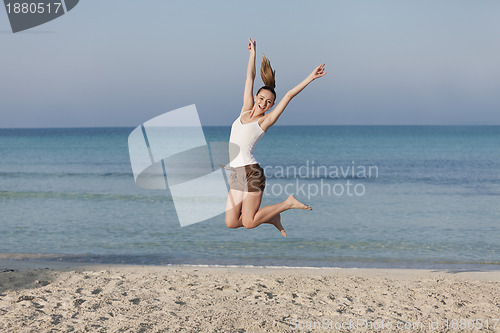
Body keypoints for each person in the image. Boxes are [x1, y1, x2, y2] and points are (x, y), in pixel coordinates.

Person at [224, 38, 326, 237]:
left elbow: (288, 95)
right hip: (235, 173)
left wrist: (310, 78)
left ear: (271, 106)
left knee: (249, 222)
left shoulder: (264, 121)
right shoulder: (244, 110)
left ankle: (287, 203)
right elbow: (249, 78)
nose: (263, 103)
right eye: (261, 98)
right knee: (231, 222)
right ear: (256, 97)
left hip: (251, 173)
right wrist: (253, 54)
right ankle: (271, 217)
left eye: (268, 102)